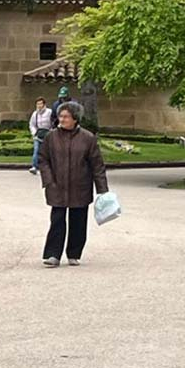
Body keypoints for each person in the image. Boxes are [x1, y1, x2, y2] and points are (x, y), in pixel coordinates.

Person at [37, 101, 108, 267]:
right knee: (57, 221)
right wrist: (48, 180)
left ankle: (74, 253)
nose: (62, 119)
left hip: (80, 186)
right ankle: (53, 254)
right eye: (60, 116)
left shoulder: (88, 138)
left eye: (66, 116)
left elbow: (97, 165)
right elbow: (43, 159)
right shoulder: (51, 137)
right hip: (57, 185)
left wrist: (102, 189)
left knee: (78, 221)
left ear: (75, 119)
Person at [29, 97, 54, 175]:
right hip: (38, 134)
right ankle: (34, 166)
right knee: (36, 150)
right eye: (38, 104)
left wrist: (51, 131)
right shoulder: (35, 114)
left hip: (48, 134)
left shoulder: (49, 112)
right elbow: (32, 124)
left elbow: (53, 122)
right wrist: (34, 133)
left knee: (49, 151)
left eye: (40, 104)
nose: (39, 105)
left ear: (44, 104)